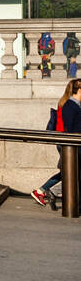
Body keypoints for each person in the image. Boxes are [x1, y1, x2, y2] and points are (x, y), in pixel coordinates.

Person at [34, 78, 81, 207]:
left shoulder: (64, 102)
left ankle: (46, 191)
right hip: (65, 141)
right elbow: (69, 126)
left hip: (62, 140)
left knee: (67, 171)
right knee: (68, 171)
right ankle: (46, 191)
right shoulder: (69, 105)